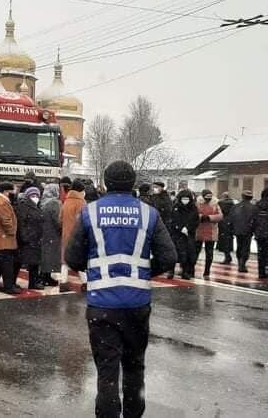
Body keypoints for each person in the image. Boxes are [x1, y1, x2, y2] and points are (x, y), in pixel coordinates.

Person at [64, 161, 178, 418]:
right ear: (133, 183)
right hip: (137, 303)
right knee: (135, 368)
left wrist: (94, 269)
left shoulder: (91, 213)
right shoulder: (149, 214)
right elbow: (169, 256)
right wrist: (144, 272)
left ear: (105, 183)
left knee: (107, 371)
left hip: (102, 305)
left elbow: (72, 257)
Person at [0, 182, 21, 294]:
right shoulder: (2, 202)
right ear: (6, 191)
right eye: (12, 191)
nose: (13, 193)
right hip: (4, 239)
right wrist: (12, 231)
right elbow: (6, 221)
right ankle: (8, 287)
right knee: (7, 265)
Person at [16, 186, 45, 290]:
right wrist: (25, 237)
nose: (35, 197)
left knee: (35, 263)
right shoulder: (24, 206)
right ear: (28, 196)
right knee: (21, 262)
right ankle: (13, 283)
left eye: (37, 195)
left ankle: (33, 283)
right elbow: (21, 223)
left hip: (36, 238)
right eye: (33, 195)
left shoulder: (38, 206)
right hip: (29, 239)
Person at [60, 180, 88, 290]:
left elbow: (60, 219)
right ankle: (85, 283)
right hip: (78, 236)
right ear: (81, 191)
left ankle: (63, 282)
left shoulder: (66, 201)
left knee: (65, 260)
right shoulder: (81, 202)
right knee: (80, 260)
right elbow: (84, 220)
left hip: (66, 234)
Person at [171, 189, 200, 280]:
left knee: (188, 254)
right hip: (177, 234)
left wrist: (188, 228)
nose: (185, 201)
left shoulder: (193, 208)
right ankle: (171, 270)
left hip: (189, 234)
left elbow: (196, 221)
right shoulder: (175, 207)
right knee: (175, 253)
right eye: (183, 199)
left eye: (187, 199)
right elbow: (173, 219)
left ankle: (185, 271)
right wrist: (179, 227)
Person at [195, 189, 224, 279]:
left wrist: (209, 218)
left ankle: (207, 271)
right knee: (195, 252)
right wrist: (200, 217)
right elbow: (193, 214)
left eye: (209, 197)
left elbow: (220, 216)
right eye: (206, 197)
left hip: (211, 231)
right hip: (199, 230)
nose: (208, 199)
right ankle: (191, 268)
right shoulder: (197, 204)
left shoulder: (215, 204)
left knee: (209, 253)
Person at [39, 183, 63, 286]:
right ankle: (46, 277)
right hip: (53, 233)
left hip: (44, 232)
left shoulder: (42, 202)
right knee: (51, 256)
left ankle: (44, 276)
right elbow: (58, 220)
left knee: (45, 255)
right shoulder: (55, 203)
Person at [230, 191, 257, 273]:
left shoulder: (235, 207)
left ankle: (240, 263)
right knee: (246, 247)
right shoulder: (254, 208)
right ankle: (242, 264)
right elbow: (255, 220)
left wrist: (232, 229)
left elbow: (231, 218)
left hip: (238, 230)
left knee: (239, 246)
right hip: (248, 230)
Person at [217, 192, 236, 265]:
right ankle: (228, 256)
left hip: (222, 224)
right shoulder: (232, 204)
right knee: (228, 242)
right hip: (230, 225)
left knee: (224, 242)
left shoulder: (220, 203)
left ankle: (227, 257)